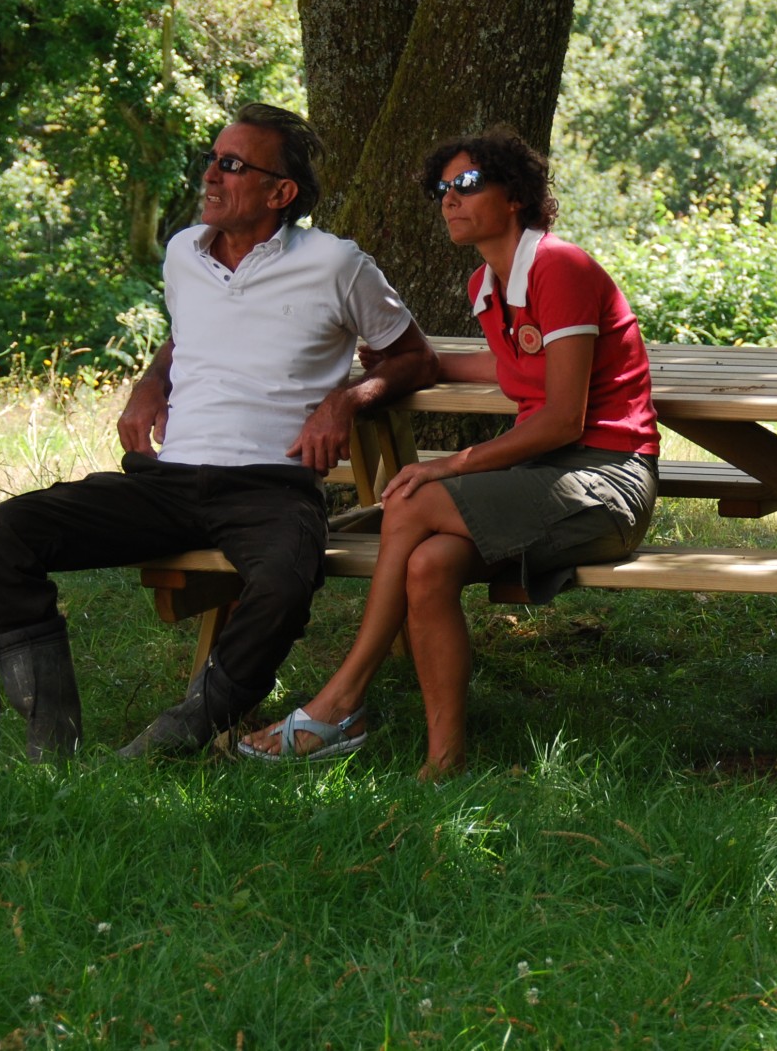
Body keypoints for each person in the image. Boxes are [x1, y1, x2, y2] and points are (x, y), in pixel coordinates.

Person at [0, 102, 439, 760]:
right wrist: (152, 379)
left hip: (270, 487)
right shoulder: (184, 253)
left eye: (232, 164)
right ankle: (51, 743)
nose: (210, 176)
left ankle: (184, 730)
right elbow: (191, 330)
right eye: (211, 159)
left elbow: (414, 355)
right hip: (169, 482)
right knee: (4, 533)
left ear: (281, 193)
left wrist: (346, 398)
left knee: (284, 578)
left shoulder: (338, 264)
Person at [241, 126, 661, 778]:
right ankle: (444, 761)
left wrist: (451, 464)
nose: (449, 200)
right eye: (442, 189)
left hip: (606, 481)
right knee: (430, 564)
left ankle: (341, 698)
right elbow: (509, 364)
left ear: (515, 194)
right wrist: (409, 363)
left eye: (466, 185)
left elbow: (560, 417)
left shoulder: (560, 267)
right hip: (546, 481)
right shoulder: (487, 286)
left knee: (411, 498)